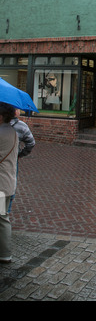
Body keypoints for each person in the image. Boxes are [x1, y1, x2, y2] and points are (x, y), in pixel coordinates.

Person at [0, 102, 19, 263]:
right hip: (8, 183)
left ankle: (5, 254)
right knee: (2, 217)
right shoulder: (13, 131)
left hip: (0, 186)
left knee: (1, 218)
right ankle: (4, 253)